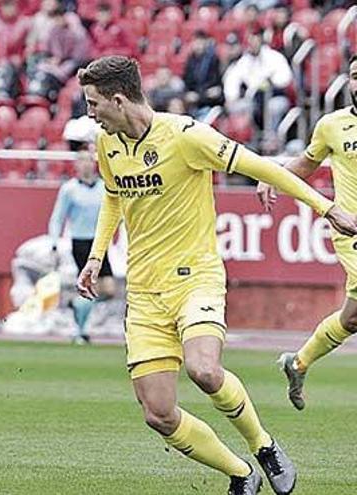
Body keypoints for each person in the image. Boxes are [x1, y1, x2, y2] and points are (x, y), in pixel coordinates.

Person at [76, 56, 357, 495]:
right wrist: (96, 257)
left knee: (204, 370)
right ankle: (241, 474)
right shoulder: (106, 143)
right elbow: (113, 199)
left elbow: (259, 166)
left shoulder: (186, 136)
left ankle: (264, 445)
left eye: (93, 104)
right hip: (145, 293)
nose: (89, 113)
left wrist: (326, 207)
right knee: (159, 413)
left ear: (118, 99)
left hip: (195, 278)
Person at [256, 54, 357, 412]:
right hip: (350, 228)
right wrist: (274, 177)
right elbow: (307, 163)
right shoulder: (332, 125)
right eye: (355, 76)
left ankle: (297, 363)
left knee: (352, 318)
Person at [48, 150, 114, 344]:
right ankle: (81, 331)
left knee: (108, 289)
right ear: (76, 165)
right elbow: (58, 217)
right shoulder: (69, 189)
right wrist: (54, 242)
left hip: (99, 243)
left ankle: (77, 305)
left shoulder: (103, 187)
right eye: (82, 161)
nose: (86, 164)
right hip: (80, 242)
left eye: (89, 160)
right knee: (90, 285)